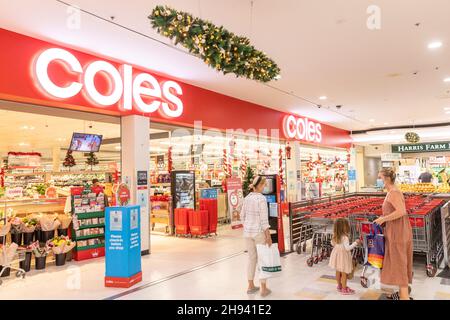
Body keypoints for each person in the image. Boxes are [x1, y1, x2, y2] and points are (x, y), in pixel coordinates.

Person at [374, 168, 413, 300]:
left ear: (386, 179)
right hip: (396, 231)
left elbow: (402, 211)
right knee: (398, 264)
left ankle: (404, 296)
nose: (378, 180)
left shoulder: (394, 193)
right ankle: (400, 294)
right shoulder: (391, 192)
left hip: (398, 234)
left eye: (380, 177)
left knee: (399, 265)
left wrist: (384, 219)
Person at [240, 175, 272, 297]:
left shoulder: (247, 198)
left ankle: (250, 285)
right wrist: (268, 236)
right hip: (258, 233)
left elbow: (242, 216)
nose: (264, 187)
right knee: (263, 259)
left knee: (251, 259)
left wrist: (248, 225)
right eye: (264, 185)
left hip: (247, 233)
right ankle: (263, 288)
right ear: (258, 186)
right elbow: (264, 221)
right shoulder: (261, 199)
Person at [329, 218, 361, 295]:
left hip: (336, 256)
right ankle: (344, 288)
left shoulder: (335, 236)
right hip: (343, 257)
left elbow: (332, 244)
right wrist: (355, 243)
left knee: (337, 271)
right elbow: (347, 248)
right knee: (344, 274)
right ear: (344, 227)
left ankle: (339, 286)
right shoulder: (345, 238)